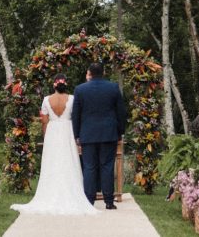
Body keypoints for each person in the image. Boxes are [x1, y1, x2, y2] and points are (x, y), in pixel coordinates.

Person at [12, 73, 99, 215]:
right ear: (65, 84)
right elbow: (76, 118)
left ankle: (50, 192)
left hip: (52, 132)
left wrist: (47, 138)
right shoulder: (72, 99)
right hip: (67, 131)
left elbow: (44, 121)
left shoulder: (46, 100)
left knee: (52, 162)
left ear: (54, 84)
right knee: (68, 160)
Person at [71, 62, 127, 210]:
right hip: (109, 133)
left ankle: (89, 201)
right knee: (107, 167)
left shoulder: (80, 89)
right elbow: (121, 112)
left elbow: (75, 115)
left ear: (90, 72)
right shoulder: (113, 87)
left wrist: (76, 134)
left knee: (89, 167)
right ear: (103, 72)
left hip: (87, 134)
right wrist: (120, 132)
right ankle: (109, 201)